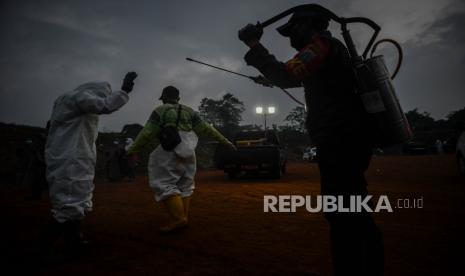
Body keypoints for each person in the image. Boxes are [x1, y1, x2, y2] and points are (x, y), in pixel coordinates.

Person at [238, 10, 384, 275]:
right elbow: (295, 76)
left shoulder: (320, 46)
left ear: (308, 25)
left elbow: (287, 75)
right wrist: (271, 77)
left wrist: (254, 45)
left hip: (341, 141)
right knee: (351, 210)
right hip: (347, 140)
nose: (291, 38)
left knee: (343, 215)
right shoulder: (328, 49)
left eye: (292, 30)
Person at [42, 72, 137, 254]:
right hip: (71, 157)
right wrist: (124, 91)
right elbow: (105, 106)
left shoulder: (69, 101)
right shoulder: (77, 97)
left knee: (78, 200)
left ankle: (74, 240)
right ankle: (44, 247)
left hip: (75, 155)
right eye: (102, 95)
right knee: (69, 203)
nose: (102, 99)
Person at [127, 86, 235, 233]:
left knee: (163, 183)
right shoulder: (190, 111)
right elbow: (207, 129)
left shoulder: (161, 110)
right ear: (178, 98)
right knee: (186, 183)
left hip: (169, 149)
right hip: (189, 150)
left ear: (164, 97)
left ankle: (179, 219)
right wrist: (225, 142)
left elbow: (147, 133)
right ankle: (183, 217)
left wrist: (132, 149)